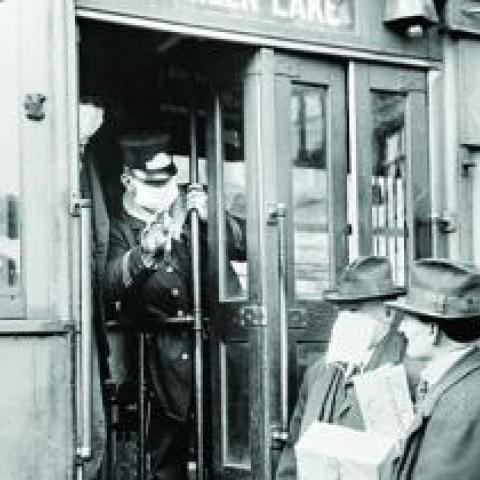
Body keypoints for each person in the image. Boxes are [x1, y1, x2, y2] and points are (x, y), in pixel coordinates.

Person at [104, 134, 245, 480]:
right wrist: (144, 254)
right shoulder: (121, 226)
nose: (164, 189)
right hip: (160, 357)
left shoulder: (192, 204)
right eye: (152, 183)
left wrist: (213, 215)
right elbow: (109, 284)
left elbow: (244, 246)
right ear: (128, 181)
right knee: (165, 457)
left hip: (217, 349)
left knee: (227, 449)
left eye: (167, 180)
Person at [275, 256, 406, 480]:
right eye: (341, 310)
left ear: (388, 313)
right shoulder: (318, 372)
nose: (345, 320)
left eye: (355, 310)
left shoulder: (404, 371)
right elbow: (294, 449)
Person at [385, 258, 480, 480]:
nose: (401, 328)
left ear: (433, 331)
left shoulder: (462, 403)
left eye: (408, 319)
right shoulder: (458, 379)